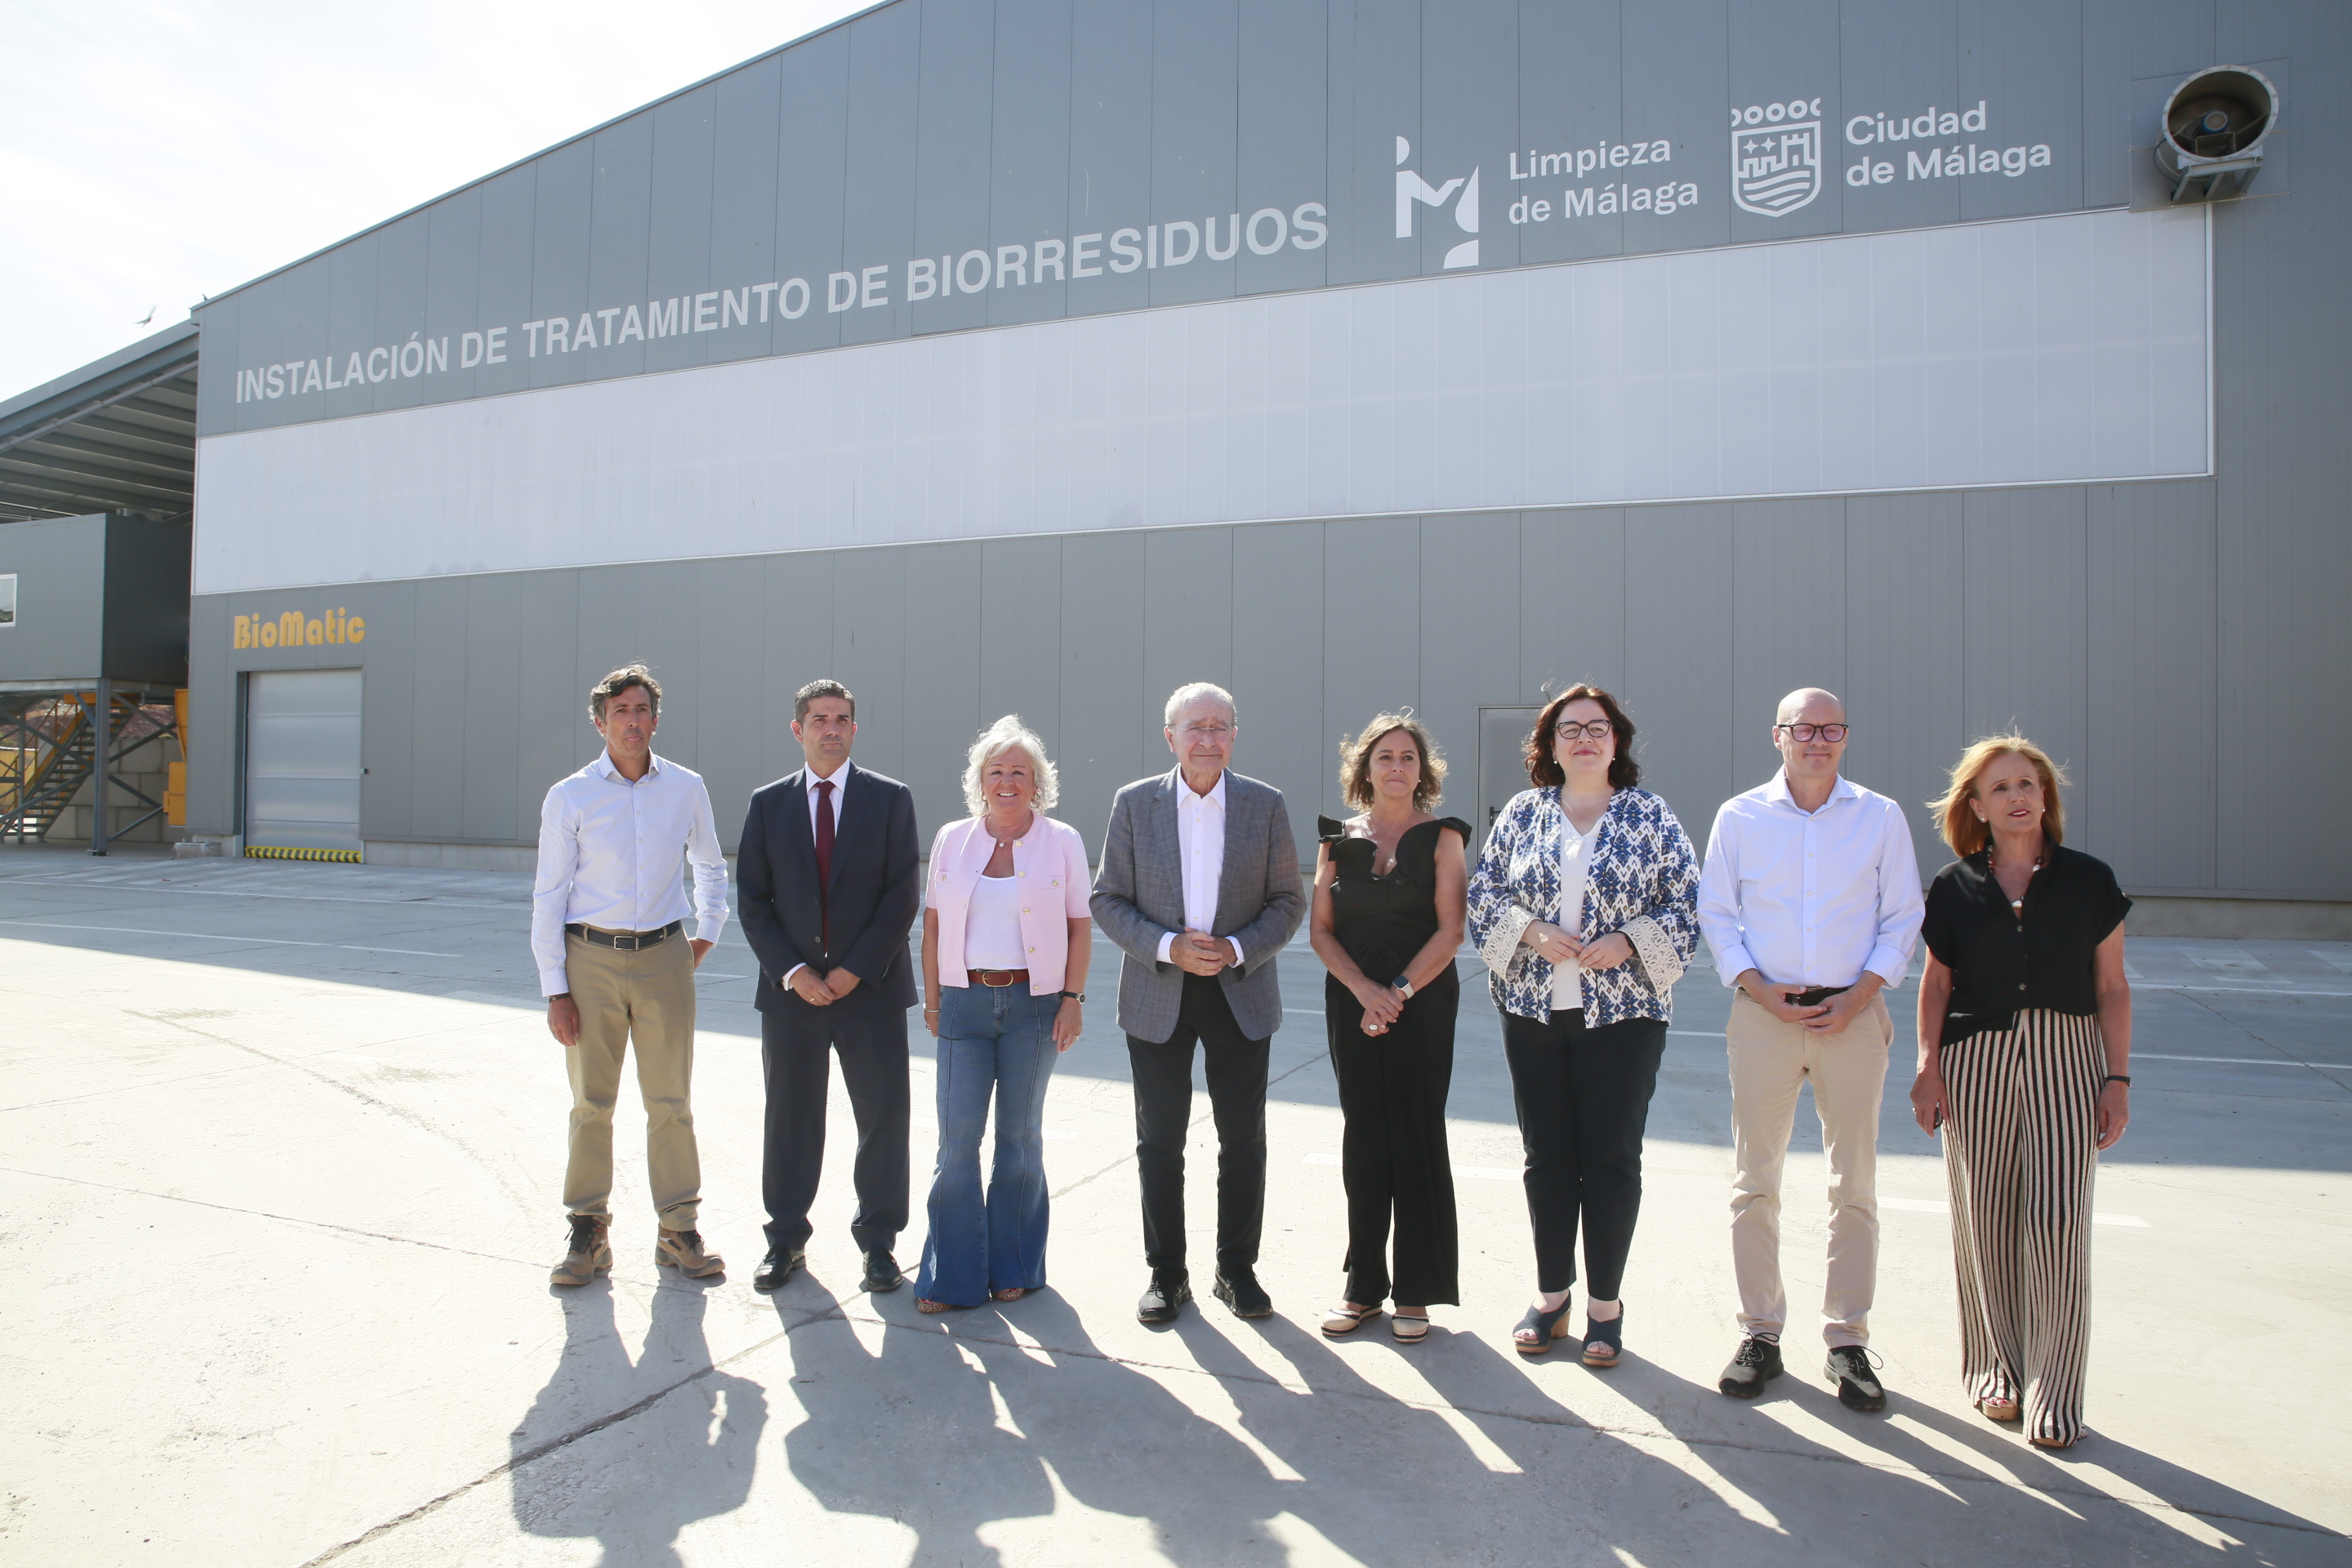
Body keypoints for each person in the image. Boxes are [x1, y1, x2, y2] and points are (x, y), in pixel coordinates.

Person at [1696, 687, 1924, 1414]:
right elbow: (1718, 913)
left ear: (1846, 738)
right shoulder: (1739, 817)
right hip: (1764, 1013)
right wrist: (1759, 989)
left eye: (1831, 729)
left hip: (1852, 1013)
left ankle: (1846, 1339)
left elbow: (1903, 916)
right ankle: (1760, 1332)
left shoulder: (1880, 817)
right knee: (1753, 1178)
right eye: (1804, 728)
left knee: (1852, 1179)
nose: (1817, 740)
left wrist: (1858, 996)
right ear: (1778, 736)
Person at [1468, 685, 1699, 1366]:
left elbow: (1688, 901)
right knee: (1546, 1157)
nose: (1585, 739)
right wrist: (1530, 929)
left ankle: (1605, 1307)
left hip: (1623, 1017)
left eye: (1598, 728)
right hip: (1534, 1012)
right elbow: (1484, 893)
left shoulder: (1650, 816)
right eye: (1570, 729)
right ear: (1550, 745)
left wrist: (1630, 941)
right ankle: (1551, 1297)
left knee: (1610, 1159)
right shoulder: (1522, 813)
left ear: (1617, 740)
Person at [1912, 737, 2132, 1450]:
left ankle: (2056, 1390)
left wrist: (2116, 1079)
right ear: (1976, 805)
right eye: (2001, 786)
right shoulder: (1953, 887)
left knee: (2058, 1224)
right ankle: (1996, 1369)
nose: (2018, 796)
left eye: (2029, 784)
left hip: (2067, 1056)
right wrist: (1928, 1066)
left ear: (2046, 797)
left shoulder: (2089, 881)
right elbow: (1937, 983)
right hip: (1975, 1059)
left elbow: (2112, 987)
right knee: (1986, 1218)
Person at [1092, 682, 1306, 1325]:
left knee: (1243, 1139)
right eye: (1194, 728)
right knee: (1159, 1140)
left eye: (1219, 726)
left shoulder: (1265, 806)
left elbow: (1289, 902)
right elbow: (1108, 899)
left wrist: (1238, 949)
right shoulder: (1134, 804)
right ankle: (1168, 1274)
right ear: (1171, 737)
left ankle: (1236, 1270)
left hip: (1240, 991)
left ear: (1234, 735)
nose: (1207, 739)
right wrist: (1165, 946)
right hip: (1159, 991)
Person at [531, 664, 729, 1286]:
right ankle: (587, 1232)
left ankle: (678, 1229)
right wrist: (556, 988)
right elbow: (549, 894)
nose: (633, 721)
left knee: (671, 1101)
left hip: (665, 954)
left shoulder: (686, 787)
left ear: (655, 718)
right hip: (588, 958)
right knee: (592, 1104)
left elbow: (710, 865)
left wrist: (704, 934)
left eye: (642, 709)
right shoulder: (571, 795)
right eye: (620, 711)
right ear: (600, 722)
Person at [737, 679, 922, 1297]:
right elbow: (754, 902)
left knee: (884, 1118)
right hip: (792, 996)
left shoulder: (890, 799)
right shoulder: (767, 804)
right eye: (819, 719)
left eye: (842, 718)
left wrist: (852, 971)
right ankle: (785, 1240)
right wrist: (795, 973)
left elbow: (901, 898)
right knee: (790, 1118)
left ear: (854, 728)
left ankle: (878, 1244)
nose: (832, 728)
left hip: (869, 990)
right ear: (798, 729)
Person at [912, 715, 1093, 1312]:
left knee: (1019, 1139)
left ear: (1037, 783)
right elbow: (933, 923)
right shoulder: (951, 838)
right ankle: (951, 1277)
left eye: (1020, 771)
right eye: (997, 771)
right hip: (963, 1003)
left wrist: (1072, 999)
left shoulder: (1062, 841)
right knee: (957, 1142)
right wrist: (934, 1001)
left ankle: (1013, 1263)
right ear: (980, 781)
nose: (1008, 781)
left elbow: (1078, 926)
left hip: (1034, 1008)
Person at [1309, 714, 1470, 1344]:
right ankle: (1363, 1288)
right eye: (1384, 757)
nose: (1396, 766)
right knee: (1365, 1139)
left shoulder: (1444, 837)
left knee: (1417, 1136)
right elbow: (1321, 929)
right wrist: (1363, 991)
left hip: (1422, 1003)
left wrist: (1396, 993)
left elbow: (1451, 930)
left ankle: (1416, 1293)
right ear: (1364, 768)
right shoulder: (1335, 840)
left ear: (1422, 771)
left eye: (1407, 757)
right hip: (1352, 1004)